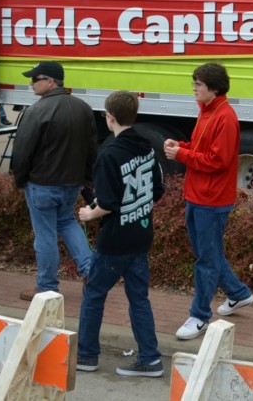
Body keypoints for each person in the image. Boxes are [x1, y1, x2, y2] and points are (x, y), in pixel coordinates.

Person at [76, 91, 165, 377]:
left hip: (115, 241)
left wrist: (90, 213)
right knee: (139, 298)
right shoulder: (149, 146)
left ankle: (86, 356)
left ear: (110, 117)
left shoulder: (109, 154)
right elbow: (158, 189)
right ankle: (150, 358)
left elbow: (109, 202)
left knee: (94, 293)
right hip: (141, 235)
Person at [164, 63, 253, 340]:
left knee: (206, 259)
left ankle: (200, 316)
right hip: (199, 196)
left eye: (198, 85)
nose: (194, 88)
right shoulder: (208, 112)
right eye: (194, 83)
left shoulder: (225, 117)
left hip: (211, 200)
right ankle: (238, 294)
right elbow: (204, 150)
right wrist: (182, 147)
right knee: (208, 254)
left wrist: (181, 155)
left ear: (213, 88)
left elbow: (218, 161)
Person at [12, 61, 96, 300]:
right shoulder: (83, 108)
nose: (31, 83)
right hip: (71, 183)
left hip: (42, 183)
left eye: (35, 79)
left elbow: (23, 150)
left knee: (45, 234)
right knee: (67, 222)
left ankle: (47, 287)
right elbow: (92, 148)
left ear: (50, 81)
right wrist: (87, 179)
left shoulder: (36, 110)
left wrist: (20, 180)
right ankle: (91, 272)